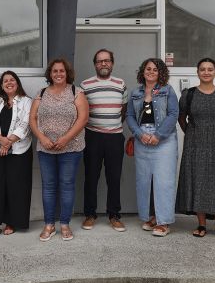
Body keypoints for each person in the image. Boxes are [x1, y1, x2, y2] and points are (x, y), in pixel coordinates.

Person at [175, 58, 215, 239]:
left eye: (210, 69)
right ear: (197, 72)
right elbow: (181, 118)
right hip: (195, 144)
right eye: (202, 69)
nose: (206, 72)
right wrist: (193, 134)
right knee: (198, 181)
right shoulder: (189, 94)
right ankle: (201, 224)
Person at [30, 58, 89, 242]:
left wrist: (65, 139)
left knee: (67, 186)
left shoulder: (76, 92)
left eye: (61, 71)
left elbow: (83, 118)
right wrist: (42, 138)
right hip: (46, 148)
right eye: (55, 71)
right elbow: (32, 119)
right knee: (48, 187)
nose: (58, 74)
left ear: (67, 73)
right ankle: (49, 225)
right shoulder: (41, 93)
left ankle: (64, 224)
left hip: (71, 148)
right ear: (50, 74)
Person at [126, 58, 179, 237]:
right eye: (148, 69)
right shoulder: (135, 92)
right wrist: (139, 134)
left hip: (163, 139)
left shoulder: (167, 90)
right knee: (144, 181)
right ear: (143, 71)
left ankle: (164, 222)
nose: (151, 72)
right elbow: (130, 116)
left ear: (161, 73)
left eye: (155, 69)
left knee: (164, 182)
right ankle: (152, 217)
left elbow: (173, 114)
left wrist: (158, 135)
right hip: (142, 138)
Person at [79, 49, 129, 232]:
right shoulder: (85, 85)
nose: (103, 64)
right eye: (99, 61)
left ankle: (114, 215)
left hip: (115, 137)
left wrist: (113, 125)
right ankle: (90, 215)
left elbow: (124, 109)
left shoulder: (120, 84)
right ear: (95, 64)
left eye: (107, 61)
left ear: (112, 63)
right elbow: (81, 111)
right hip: (92, 137)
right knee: (91, 177)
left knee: (114, 178)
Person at [0, 71, 33, 240]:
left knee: (16, 187)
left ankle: (12, 222)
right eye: (5, 81)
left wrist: (9, 142)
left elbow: (26, 124)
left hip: (19, 151)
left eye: (12, 80)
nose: (9, 82)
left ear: (17, 83)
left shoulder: (27, 102)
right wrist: (2, 141)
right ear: (1, 85)